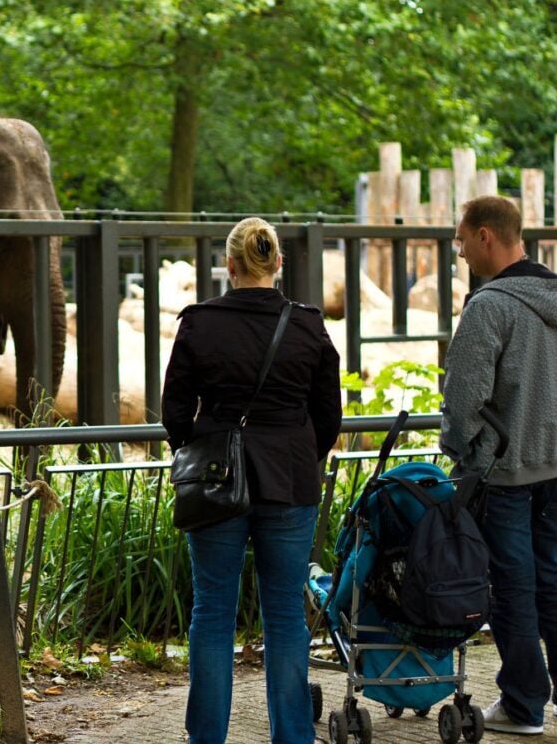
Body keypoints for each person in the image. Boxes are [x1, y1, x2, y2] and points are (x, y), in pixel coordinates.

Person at [162, 217, 342, 744]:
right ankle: (291, 736)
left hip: (217, 480)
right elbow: (328, 414)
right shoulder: (308, 325)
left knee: (212, 611)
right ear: (278, 264)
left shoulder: (200, 322)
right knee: (286, 612)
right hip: (290, 477)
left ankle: (207, 737)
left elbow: (175, 410)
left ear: (230, 265)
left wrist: (198, 449)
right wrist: (303, 454)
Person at [441, 195, 557, 735]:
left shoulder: (490, 305)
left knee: (510, 584)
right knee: (551, 576)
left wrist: (462, 452)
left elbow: (463, 398)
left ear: (486, 235)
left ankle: (524, 705)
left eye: (461, 240)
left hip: (506, 470)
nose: (458, 252)